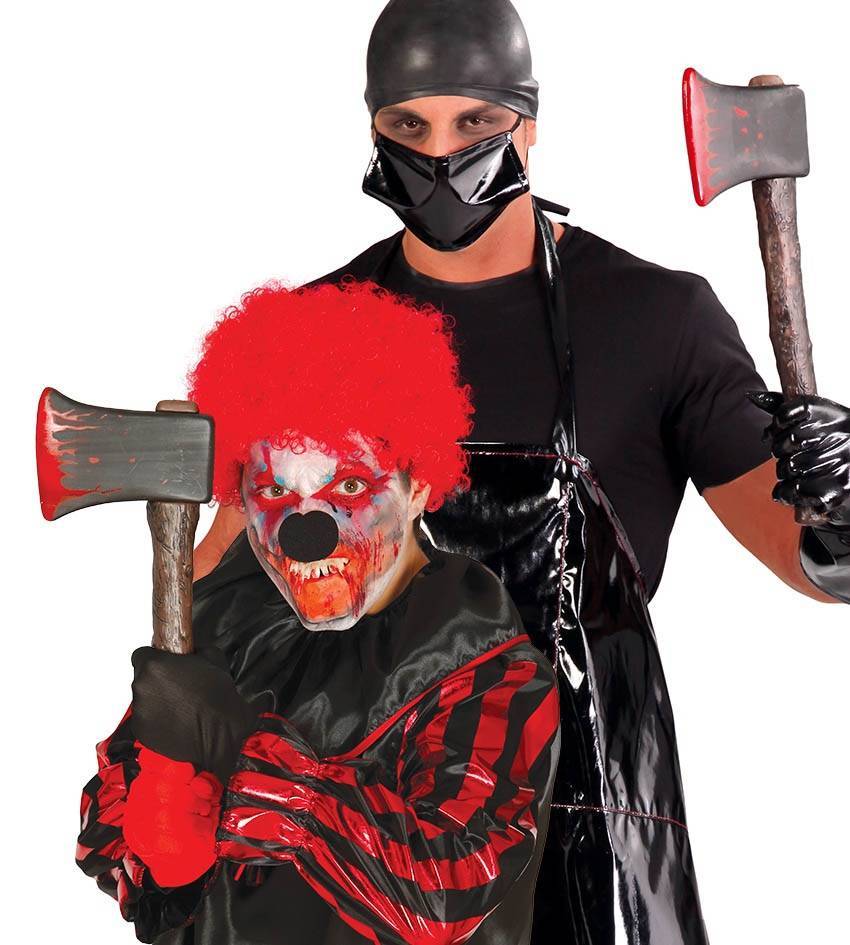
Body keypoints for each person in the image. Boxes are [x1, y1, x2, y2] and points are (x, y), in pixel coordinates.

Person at [191, 2, 850, 943]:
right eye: (408, 124)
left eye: (475, 121)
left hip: (594, 848)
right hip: (376, 845)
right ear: (373, 127)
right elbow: (215, 598)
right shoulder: (310, 338)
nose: (439, 152)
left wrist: (840, 510)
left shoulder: (655, 318)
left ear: (529, 125)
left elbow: (808, 556)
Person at [75, 281, 562, 944]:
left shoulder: (487, 672)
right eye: (274, 490)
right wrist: (156, 847)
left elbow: (449, 885)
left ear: (418, 485)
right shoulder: (225, 627)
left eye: (350, 485)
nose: (305, 530)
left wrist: (257, 788)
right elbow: (107, 839)